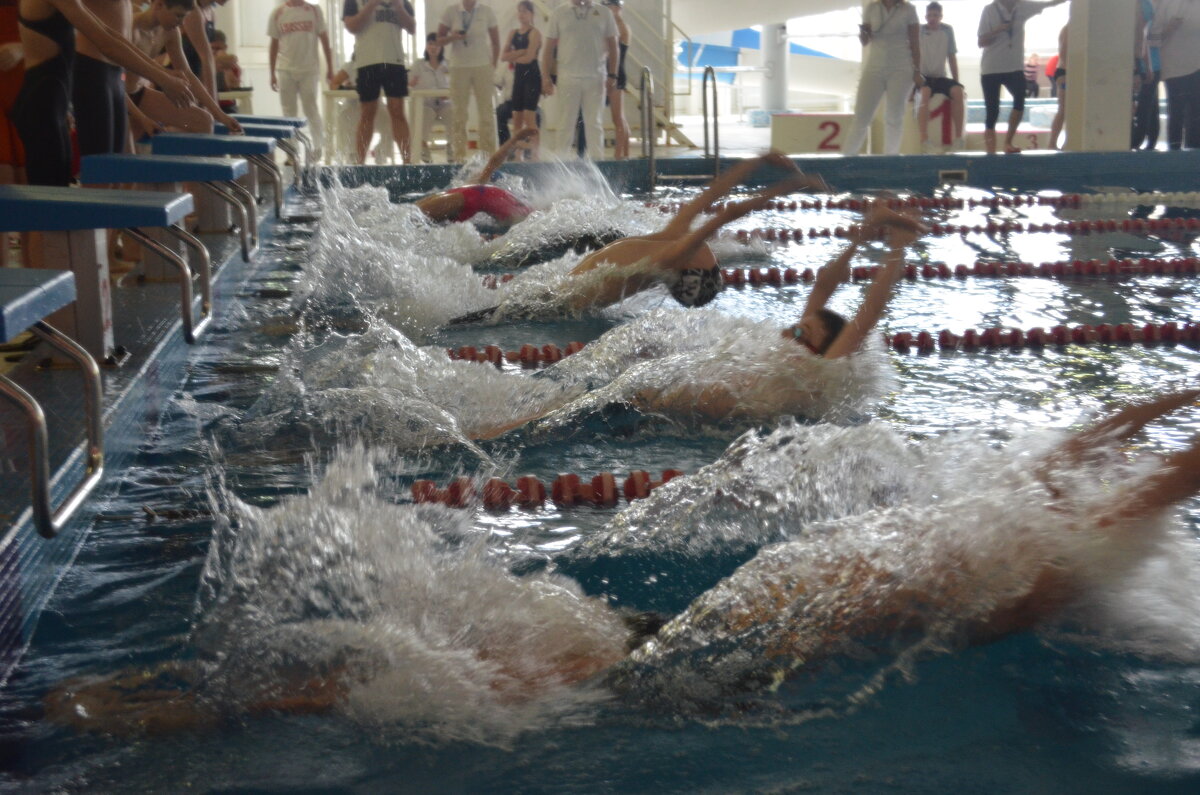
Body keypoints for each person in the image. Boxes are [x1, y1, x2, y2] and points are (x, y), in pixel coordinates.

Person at [46, 390, 1200, 730]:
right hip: (687, 655)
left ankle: (158, 707)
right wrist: (1169, 409)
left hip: (680, 645)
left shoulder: (1020, 545)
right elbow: (1100, 471)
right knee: (423, 673)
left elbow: (1117, 471)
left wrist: (1176, 416)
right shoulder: (1023, 562)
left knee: (425, 663)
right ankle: (153, 711)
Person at [449, 154, 825, 328]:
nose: (709, 250)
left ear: (688, 268)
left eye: (706, 256)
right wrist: (758, 161)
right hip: (558, 295)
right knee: (478, 316)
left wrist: (792, 186)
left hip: (558, 307)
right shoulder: (670, 239)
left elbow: (727, 215)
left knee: (475, 322)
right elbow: (714, 197)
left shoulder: (669, 254)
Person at [11, 0, 192, 186]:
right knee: (54, 192)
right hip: (41, 102)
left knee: (84, 184)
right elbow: (106, 44)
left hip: (56, 101)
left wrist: (163, 75)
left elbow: (110, 34)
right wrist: (162, 78)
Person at [126, 0, 242, 135]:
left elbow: (187, 73)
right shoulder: (132, 27)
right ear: (159, 5)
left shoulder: (170, 32)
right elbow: (116, 80)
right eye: (178, 16)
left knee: (203, 121)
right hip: (121, 96)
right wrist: (141, 117)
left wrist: (219, 114)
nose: (181, 23)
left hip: (139, 93)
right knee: (131, 143)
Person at [977, 0, 1068, 155]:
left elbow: (1048, 4)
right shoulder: (989, 10)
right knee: (992, 111)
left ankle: (1008, 142)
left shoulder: (1022, 7)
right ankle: (990, 153)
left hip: (1014, 67)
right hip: (991, 68)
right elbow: (981, 41)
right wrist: (998, 30)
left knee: (1020, 101)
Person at [541, 0, 619, 161]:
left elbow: (614, 46)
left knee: (595, 125)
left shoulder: (604, 13)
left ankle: (598, 165)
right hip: (567, 78)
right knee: (564, 126)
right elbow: (548, 48)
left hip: (596, 77)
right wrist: (545, 77)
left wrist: (613, 75)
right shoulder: (559, 12)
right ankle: (560, 169)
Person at [412, 126, 537, 225]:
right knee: (412, 217)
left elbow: (493, 163)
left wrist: (514, 140)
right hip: (463, 198)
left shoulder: (518, 213)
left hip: (462, 198)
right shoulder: (522, 212)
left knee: (412, 216)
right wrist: (514, 140)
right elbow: (493, 163)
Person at [843, 0, 921, 157]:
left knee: (894, 117)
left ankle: (890, 159)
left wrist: (917, 71)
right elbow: (865, 42)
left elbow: (915, 42)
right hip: (874, 67)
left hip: (901, 67)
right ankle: (847, 157)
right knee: (862, 116)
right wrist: (864, 33)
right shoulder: (872, 8)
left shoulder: (908, 9)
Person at [268, 0, 334, 163]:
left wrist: (330, 68)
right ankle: (292, 153)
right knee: (288, 112)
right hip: (285, 69)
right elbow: (274, 44)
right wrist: (272, 72)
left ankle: (317, 149)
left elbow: (325, 39)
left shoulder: (314, 11)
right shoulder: (278, 13)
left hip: (309, 69)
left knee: (311, 109)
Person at [437, 0, 500, 162]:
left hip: (482, 66)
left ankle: (488, 156)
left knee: (486, 113)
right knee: (459, 113)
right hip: (458, 67)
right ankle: (459, 156)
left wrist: (493, 65)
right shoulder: (450, 11)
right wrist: (453, 37)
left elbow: (496, 41)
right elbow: (439, 40)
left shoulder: (487, 10)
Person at [1149, 0, 1200, 151]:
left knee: (1197, 112)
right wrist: (1169, 30)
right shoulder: (1166, 4)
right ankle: (1174, 149)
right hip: (1174, 67)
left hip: (1197, 65)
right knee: (1177, 109)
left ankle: (1194, 151)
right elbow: (1151, 40)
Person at [916, 1, 965, 151]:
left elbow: (951, 57)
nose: (932, 18)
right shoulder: (919, 30)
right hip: (923, 76)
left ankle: (958, 138)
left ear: (941, 17)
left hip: (940, 77)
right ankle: (925, 139)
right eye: (930, 15)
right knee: (925, 93)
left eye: (935, 15)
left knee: (958, 91)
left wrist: (957, 82)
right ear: (925, 16)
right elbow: (911, 55)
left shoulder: (947, 31)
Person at [1, 0, 25, 266]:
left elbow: (71, 30)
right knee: (4, 178)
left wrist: (24, 48)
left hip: (27, 83)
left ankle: (35, 273)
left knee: (29, 187)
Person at [501, 0, 540, 160]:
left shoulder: (535, 33)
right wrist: (521, 52)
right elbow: (503, 56)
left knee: (529, 119)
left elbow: (530, 58)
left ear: (531, 14)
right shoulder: (513, 33)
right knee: (516, 119)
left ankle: (535, 154)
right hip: (519, 77)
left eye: (525, 11)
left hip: (532, 77)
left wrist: (516, 55)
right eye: (520, 11)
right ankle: (518, 154)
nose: (521, 14)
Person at [409, 32, 450, 164]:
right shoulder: (418, 65)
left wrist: (447, 93)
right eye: (431, 44)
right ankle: (423, 147)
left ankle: (452, 148)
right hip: (426, 103)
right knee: (425, 114)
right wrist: (411, 83)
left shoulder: (448, 64)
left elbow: (455, 85)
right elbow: (409, 83)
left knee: (454, 114)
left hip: (445, 103)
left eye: (437, 44)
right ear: (426, 46)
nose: (433, 47)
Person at [1132, 0, 1161, 151]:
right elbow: (1141, 38)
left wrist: (1146, 64)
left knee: (1147, 105)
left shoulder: (1144, 5)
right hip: (1150, 63)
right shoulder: (1143, 5)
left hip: (1148, 63)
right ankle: (1146, 141)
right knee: (1149, 105)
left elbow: (1141, 38)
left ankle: (1140, 140)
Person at [602, 0, 630, 160]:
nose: (607, 9)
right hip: (609, 73)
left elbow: (610, 49)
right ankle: (624, 153)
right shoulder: (610, 26)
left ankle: (619, 155)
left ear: (618, 8)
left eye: (609, 6)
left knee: (617, 117)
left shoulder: (622, 27)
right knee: (620, 117)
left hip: (616, 75)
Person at [180, 0, 225, 98]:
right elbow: (206, 58)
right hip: (179, 80)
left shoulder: (211, 13)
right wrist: (213, 102)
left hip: (195, 79)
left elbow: (208, 61)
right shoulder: (193, 11)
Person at [1047, 24, 1067, 150]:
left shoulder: (1066, 28)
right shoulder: (1072, 29)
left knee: (1063, 110)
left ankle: (1053, 142)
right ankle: (1052, 143)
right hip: (1066, 73)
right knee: (1064, 110)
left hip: (1062, 72)